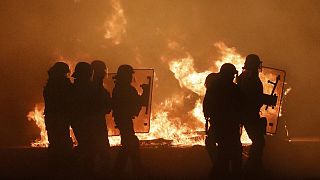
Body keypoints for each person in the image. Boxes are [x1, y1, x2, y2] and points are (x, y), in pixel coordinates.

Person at [205, 63, 243, 178]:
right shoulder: (233, 89)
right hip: (230, 126)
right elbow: (240, 106)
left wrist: (209, 117)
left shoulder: (213, 87)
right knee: (233, 153)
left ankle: (222, 172)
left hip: (217, 125)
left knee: (221, 150)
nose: (233, 76)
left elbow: (206, 105)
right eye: (232, 74)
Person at [112, 64, 144, 176]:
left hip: (123, 120)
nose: (131, 77)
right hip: (124, 120)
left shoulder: (119, 88)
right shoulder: (125, 89)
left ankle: (124, 170)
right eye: (129, 75)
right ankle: (134, 170)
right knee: (130, 143)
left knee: (129, 144)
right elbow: (133, 105)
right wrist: (143, 96)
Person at [237, 54, 266, 175]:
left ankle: (248, 166)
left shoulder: (242, 76)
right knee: (259, 141)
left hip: (242, 113)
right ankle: (252, 167)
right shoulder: (252, 78)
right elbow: (252, 97)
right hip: (250, 114)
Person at [43, 62, 73, 176]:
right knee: (63, 143)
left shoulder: (49, 85)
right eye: (65, 73)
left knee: (55, 143)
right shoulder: (62, 85)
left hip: (52, 119)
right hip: (60, 118)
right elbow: (67, 100)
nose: (66, 75)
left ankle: (54, 169)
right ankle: (63, 169)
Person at [70, 62, 95, 175]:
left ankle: (83, 168)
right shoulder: (84, 88)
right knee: (88, 145)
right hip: (83, 120)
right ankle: (83, 169)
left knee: (87, 145)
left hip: (78, 120)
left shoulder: (74, 88)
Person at [90, 60, 112, 175]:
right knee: (98, 148)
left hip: (96, 121)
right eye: (102, 71)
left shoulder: (97, 87)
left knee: (96, 148)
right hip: (95, 122)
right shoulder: (94, 88)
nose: (104, 73)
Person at [203, 73, 219, 168]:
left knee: (210, 143)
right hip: (219, 123)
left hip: (220, 123)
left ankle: (219, 166)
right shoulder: (226, 89)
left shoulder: (213, 91)